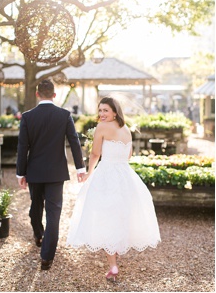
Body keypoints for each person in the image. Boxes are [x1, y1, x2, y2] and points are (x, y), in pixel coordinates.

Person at [67, 97, 161, 281]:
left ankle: (113, 265)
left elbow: (95, 153)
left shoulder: (102, 128)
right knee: (118, 215)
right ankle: (115, 254)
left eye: (105, 111)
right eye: (100, 110)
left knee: (105, 217)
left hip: (107, 175)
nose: (101, 114)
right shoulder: (126, 129)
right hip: (125, 176)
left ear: (115, 112)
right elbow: (129, 155)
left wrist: (88, 174)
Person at [16, 79, 86, 270]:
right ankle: (47, 256)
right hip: (56, 173)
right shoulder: (64, 115)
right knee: (54, 214)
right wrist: (80, 168)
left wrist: (20, 173)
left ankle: (39, 235)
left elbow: (23, 147)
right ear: (54, 95)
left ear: (37, 94)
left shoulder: (28, 117)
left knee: (35, 207)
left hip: (35, 172)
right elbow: (74, 142)